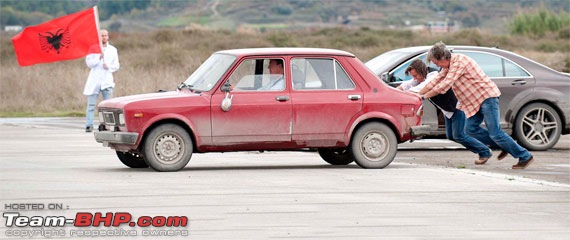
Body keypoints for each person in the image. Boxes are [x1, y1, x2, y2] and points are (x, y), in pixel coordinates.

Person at [419, 42, 533, 169]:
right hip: (474, 102)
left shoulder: (459, 62)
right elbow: (436, 81)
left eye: (436, 62)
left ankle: (525, 156)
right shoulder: (448, 66)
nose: (436, 66)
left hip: (486, 97)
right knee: (470, 129)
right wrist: (418, 94)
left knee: (495, 132)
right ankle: (503, 145)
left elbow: (445, 85)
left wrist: (425, 96)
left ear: (443, 58)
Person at [403, 59, 495, 164]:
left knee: (459, 135)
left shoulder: (433, 75)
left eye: (415, 76)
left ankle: (486, 150)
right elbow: (406, 85)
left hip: (457, 107)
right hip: (448, 110)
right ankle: (488, 147)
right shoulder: (420, 78)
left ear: (421, 71)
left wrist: (411, 95)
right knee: (451, 135)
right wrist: (396, 92)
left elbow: (421, 88)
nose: (414, 78)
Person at [83, 29, 120, 132]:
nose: (104, 37)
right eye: (102, 36)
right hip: (94, 80)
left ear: (108, 37)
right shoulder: (93, 49)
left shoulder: (113, 50)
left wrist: (108, 66)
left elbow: (116, 65)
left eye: (105, 35)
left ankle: (107, 125)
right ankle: (89, 125)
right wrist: (98, 58)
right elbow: (89, 64)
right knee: (91, 105)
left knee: (108, 106)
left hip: (107, 81)